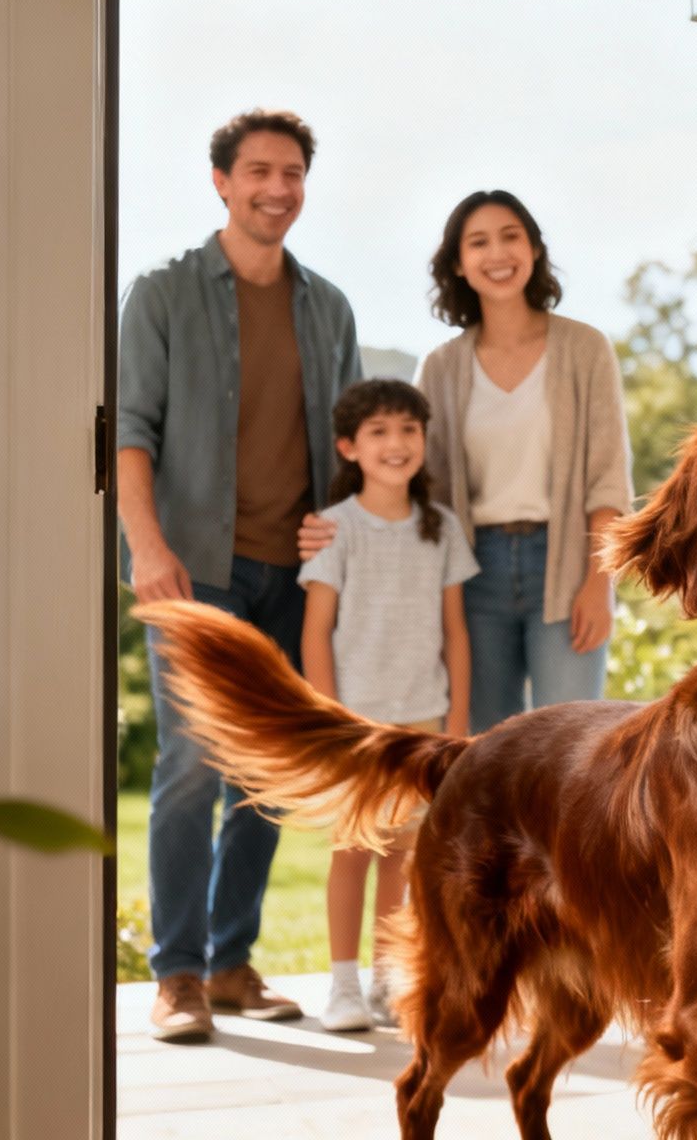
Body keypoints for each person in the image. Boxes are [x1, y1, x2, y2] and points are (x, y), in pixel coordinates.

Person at [117, 108, 363, 1043]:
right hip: (194, 572)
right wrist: (148, 549)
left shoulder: (327, 305)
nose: (277, 188)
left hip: (293, 580)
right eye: (258, 171)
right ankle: (175, 973)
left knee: (268, 773)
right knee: (187, 766)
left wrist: (338, 544)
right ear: (221, 181)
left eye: (292, 172)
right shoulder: (163, 293)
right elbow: (130, 434)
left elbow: (342, 448)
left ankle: (230, 963)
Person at [301, 190, 632, 732]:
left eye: (510, 237)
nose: (497, 254)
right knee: (485, 749)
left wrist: (600, 583)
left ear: (534, 250)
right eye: (478, 242)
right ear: (458, 263)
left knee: (573, 744)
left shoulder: (585, 348)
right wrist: (333, 525)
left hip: (567, 564)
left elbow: (606, 480)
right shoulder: (441, 366)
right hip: (474, 568)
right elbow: (405, 477)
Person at [296, 379, 475, 1031]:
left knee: (403, 854)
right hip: (360, 728)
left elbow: (455, 630)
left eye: (408, 430)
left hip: (424, 722)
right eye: (378, 432)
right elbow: (316, 630)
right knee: (352, 851)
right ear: (349, 446)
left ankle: (383, 979)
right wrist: (333, 723)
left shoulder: (443, 529)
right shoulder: (334, 529)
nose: (396, 444)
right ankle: (341, 985)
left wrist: (456, 725)